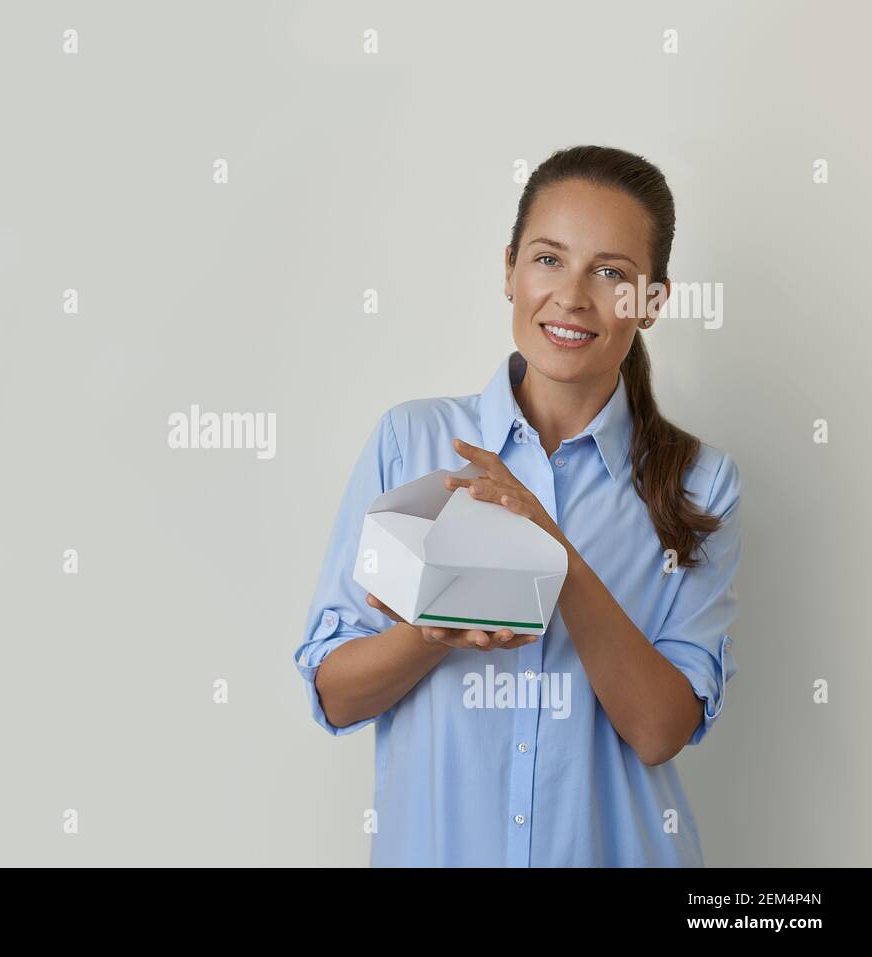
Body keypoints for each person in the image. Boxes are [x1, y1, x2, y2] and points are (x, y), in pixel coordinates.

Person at [295, 145, 741, 867]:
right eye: (548, 259)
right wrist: (430, 632)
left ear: (652, 302)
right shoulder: (410, 441)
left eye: (610, 272)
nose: (571, 296)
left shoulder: (700, 483)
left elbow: (660, 729)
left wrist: (550, 547)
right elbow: (335, 695)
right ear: (509, 269)